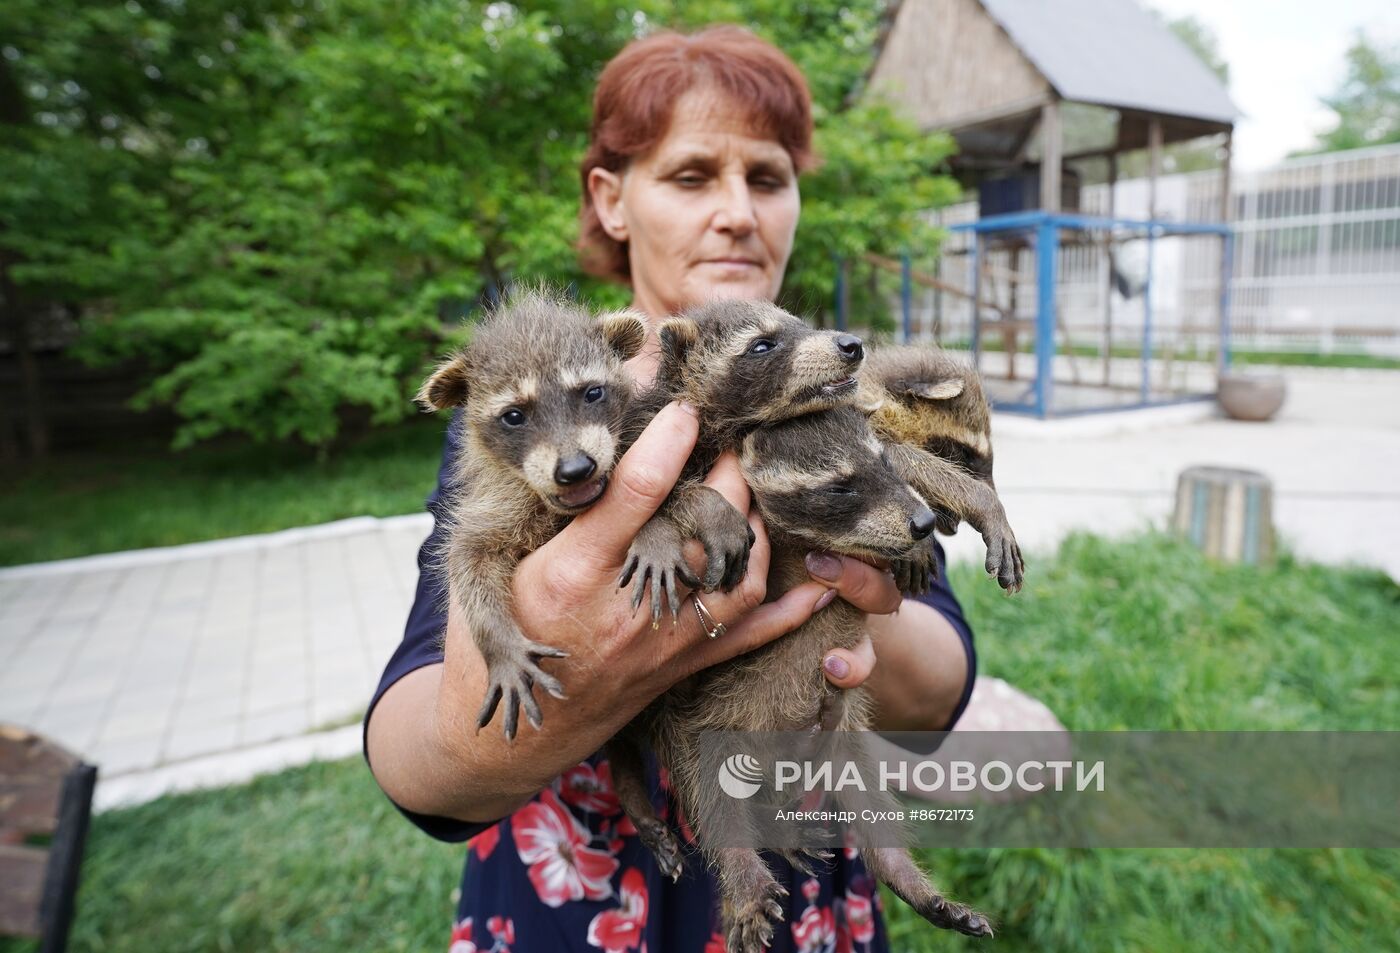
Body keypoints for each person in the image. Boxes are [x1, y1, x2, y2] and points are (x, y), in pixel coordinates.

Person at [364, 25, 978, 952]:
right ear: (611, 201)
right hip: (583, 890)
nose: (738, 212)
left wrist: (838, 598)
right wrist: (559, 681)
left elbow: (938, 687)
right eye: (691, 176)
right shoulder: (525, 428)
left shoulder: (822, 389)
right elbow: (417, 758)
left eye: (767, 178)